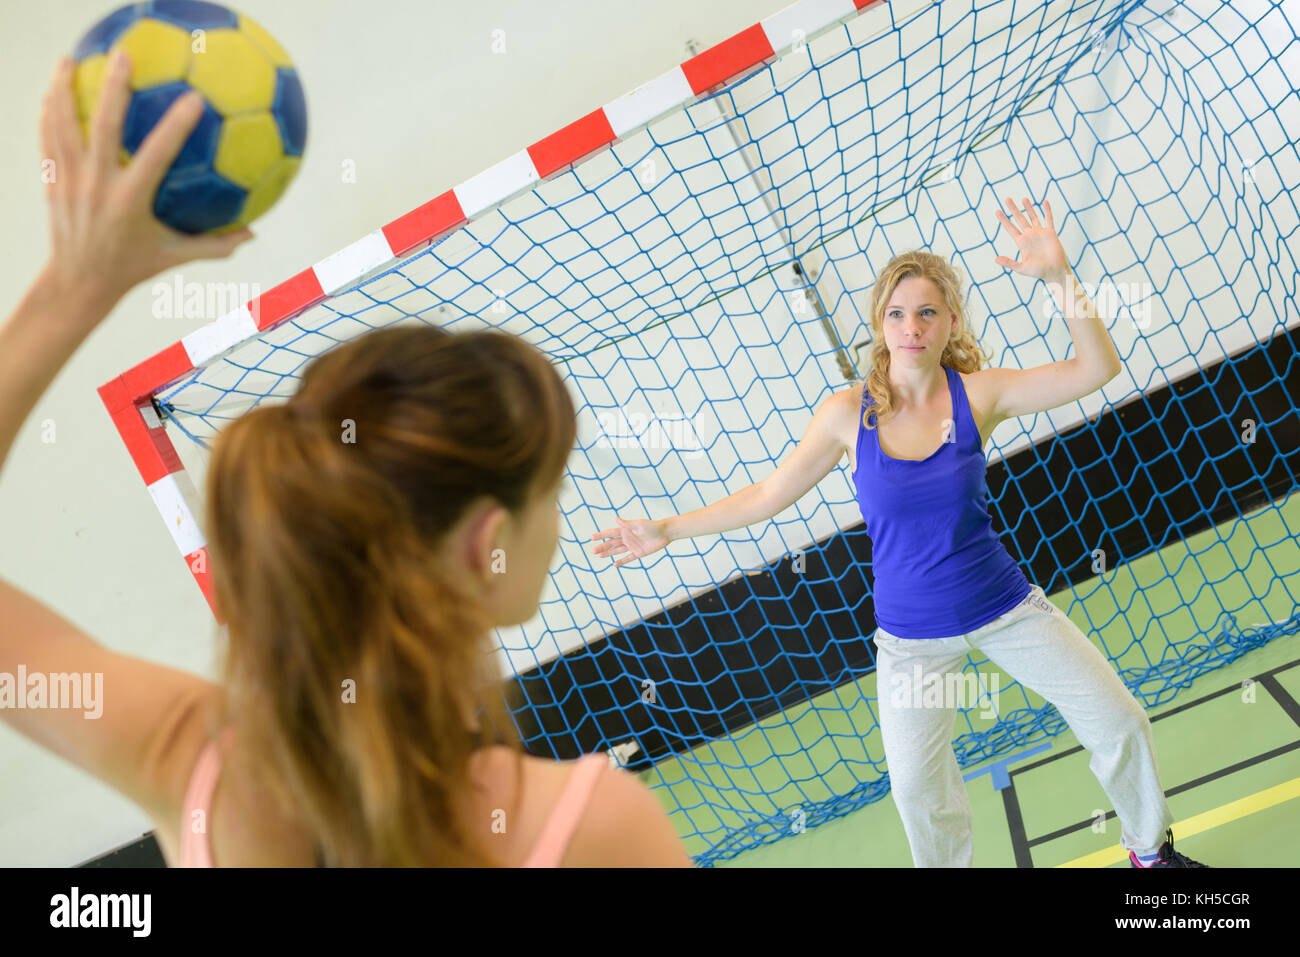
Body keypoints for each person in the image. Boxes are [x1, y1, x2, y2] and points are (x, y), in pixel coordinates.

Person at [0, 54, 692, 867]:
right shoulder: (588, 826)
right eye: (553, 488)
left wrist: (76, 283)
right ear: (487, 542)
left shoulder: (195, 770)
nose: (561, 518)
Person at [592, 197, 1209, 868]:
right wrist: (666, 528)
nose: (910, 326)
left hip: (1004, 609)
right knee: (918, 787)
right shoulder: (845, 415)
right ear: (880, 324)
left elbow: (1096, 370)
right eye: (896, 312)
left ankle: (1151, 854)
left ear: (949, 323)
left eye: (925, 312)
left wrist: (1060, 276)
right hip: (912, 641)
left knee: (1118, 719)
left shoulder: (978, 393)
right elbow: (768, 495)